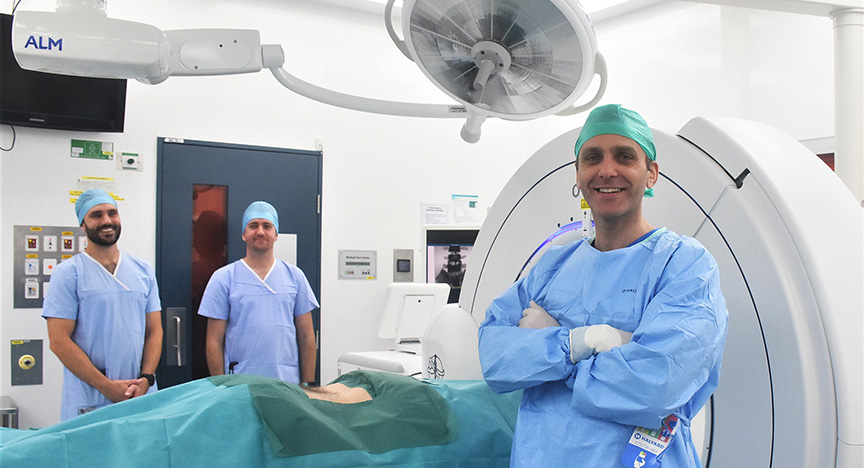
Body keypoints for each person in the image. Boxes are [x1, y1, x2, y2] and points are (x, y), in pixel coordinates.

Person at [478, 104, 728, 468]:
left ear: (651, 174)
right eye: (592, 157)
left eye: (625, 156)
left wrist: (552, 348)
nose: (607, 170)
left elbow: (655, 385)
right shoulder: (553, 265)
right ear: (578, 174)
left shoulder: (684, 264)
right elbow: (496, 357)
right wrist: (590, 341)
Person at [0, 370, 521, 468]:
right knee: (138, 431)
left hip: (256, 402)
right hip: (254, 402)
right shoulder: (506, 409)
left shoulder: (505, 415)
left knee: (133, 436)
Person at [42, 188, 163, 421]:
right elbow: (59, 341)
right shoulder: (68, 274)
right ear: (83, 225)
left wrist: (147, 379)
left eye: (112, 213)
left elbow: (154, 330)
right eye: (96, 215)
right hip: (91, 398)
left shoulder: (143, 271)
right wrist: (105, 386)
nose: (107, 220)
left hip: (140, 394)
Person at [198, 201, 319, 385]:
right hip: (240, 384)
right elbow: (213, 340)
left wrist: (308, 384)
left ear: (276, 234)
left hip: (286, 384)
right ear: (244, 234)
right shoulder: (224, 278)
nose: (260, 231)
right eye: (253, 226)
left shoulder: (295, 276)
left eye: (267, 226)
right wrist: (220, 387)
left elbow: (307, 336)